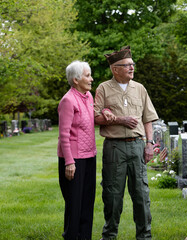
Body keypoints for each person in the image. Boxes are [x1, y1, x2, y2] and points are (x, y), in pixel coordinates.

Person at [94, 46, 158, 240]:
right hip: (114, 148)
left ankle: (144, 236)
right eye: (127, 65)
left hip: (138, 146)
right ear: (115, 69)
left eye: (132, 64)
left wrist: (149, 144)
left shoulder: (139, 88)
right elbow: (96, 116)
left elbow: (148, 118)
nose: (132, 68)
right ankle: (109, 236)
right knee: (113, 196)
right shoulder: (103, 88)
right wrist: (119, 120)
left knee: (141, 195)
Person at [57, 60, 97, 240]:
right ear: (76, 80)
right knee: (74, 205)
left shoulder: (89, 97)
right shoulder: (68, 100)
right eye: (87, 76)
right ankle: (71, 236)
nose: (91, 79)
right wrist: (69, 162)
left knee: (87, 203)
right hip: (73, 160)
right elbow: (63, 135)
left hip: (90, 157)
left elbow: (92, 118)